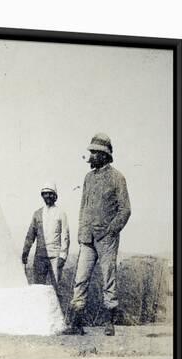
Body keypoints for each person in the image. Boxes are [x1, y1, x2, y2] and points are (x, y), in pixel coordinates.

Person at [64, 133, 131, 336]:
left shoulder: (117, 177)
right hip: (87, 239)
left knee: (108, 279)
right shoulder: (88, 178)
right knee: (80, 279)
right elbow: (83, 206)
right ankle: (76, 324)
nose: (90, 156)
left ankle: (109, 323)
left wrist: (111, 231)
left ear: (104, 155)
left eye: (93, 153)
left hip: (106, 239)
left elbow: (125, 210)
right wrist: (81, 232)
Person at [22, 182, 70, 314]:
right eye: (45, 193)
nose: (47, 196)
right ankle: (38, 315)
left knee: (55, 289)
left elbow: (65, 235)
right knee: (38, 288)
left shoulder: (61, 213)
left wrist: (62, 256)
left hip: (55, 257)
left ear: (55, 196)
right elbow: (30, 235)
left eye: (50, 193)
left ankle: (58, 317)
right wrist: (25, 252)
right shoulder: (37, 213)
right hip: (40, 257)